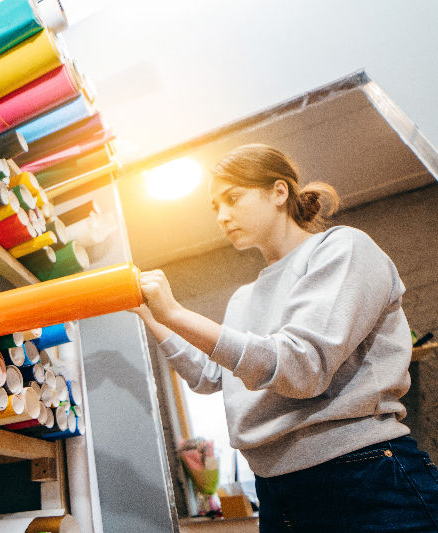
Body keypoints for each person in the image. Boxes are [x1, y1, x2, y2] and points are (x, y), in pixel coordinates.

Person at [133, 144, 438, 531]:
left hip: (363, 476)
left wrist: (176, 312)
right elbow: (210, 376)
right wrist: (150, 314)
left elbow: (302, 367)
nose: (223, 217)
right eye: (215, 208)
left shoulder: (343, 248)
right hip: (277, 491)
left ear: (279, 192)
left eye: (233, 198)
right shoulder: (244, 297)